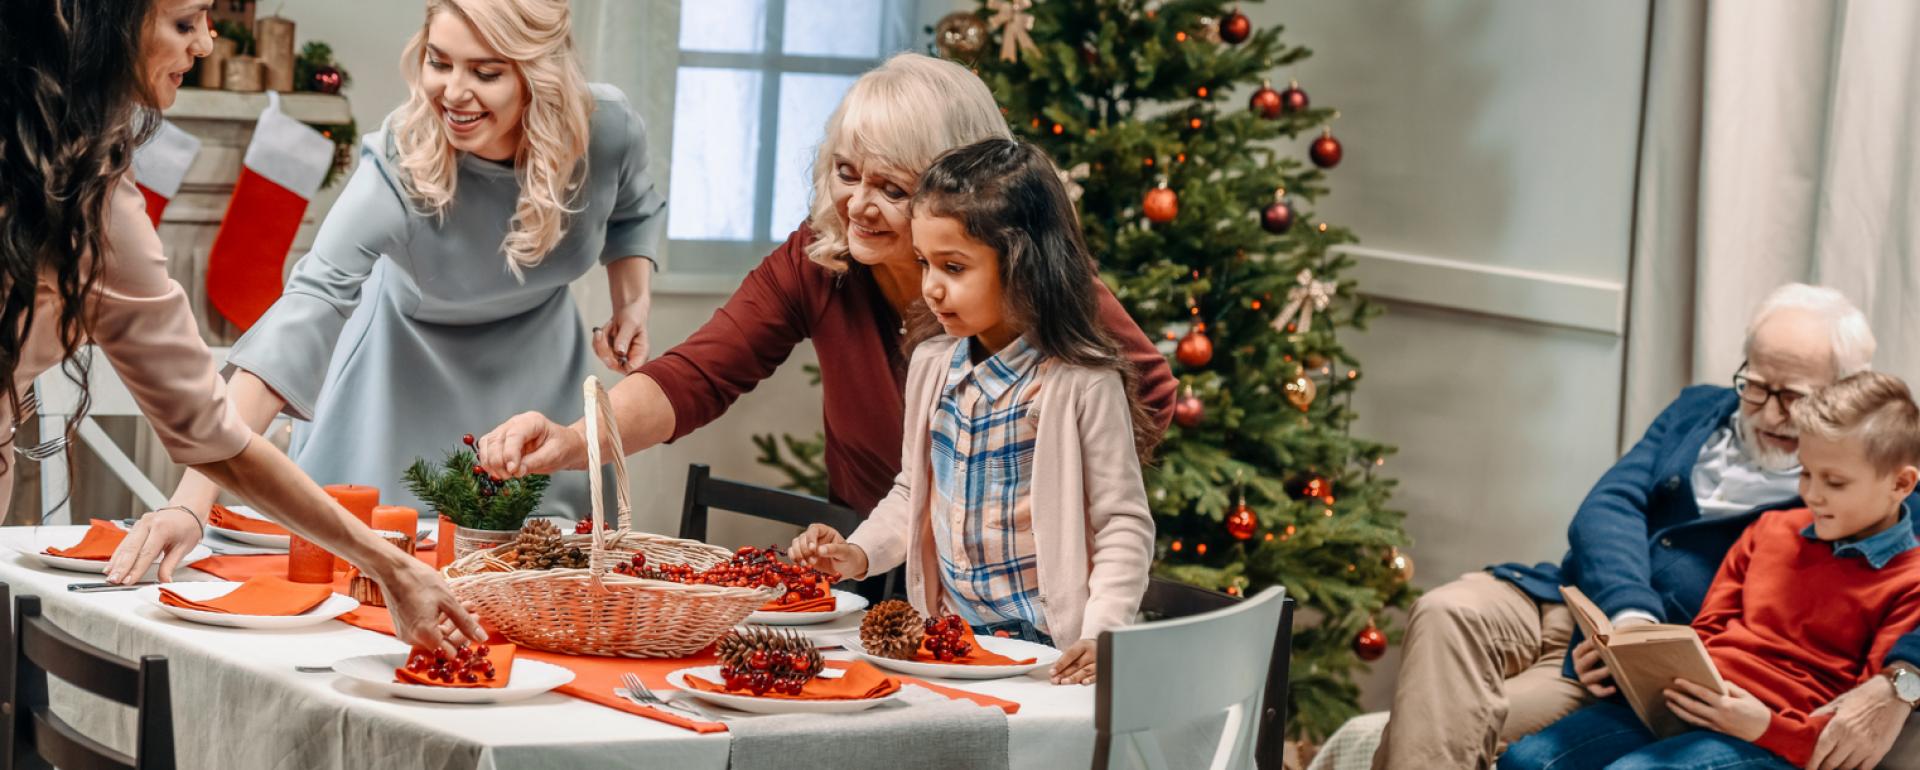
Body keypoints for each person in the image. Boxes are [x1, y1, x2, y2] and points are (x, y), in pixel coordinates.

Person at [472, 54, 1176, 569]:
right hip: (869, 557)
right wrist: (572, 441)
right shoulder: (818, 261)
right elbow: (697, 374)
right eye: (846, 173)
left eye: (892, 187)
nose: (858, 205)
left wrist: (1029, 511)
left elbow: (1145, 389)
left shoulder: (1029, 274)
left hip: (1010, 579)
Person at [114, 0, 665, 577]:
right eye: (439, 61)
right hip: (395, 380)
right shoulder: (402, 158)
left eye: (485, 72)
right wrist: (190, 501)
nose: (453, 92)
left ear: (539, 74)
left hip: (541, 384)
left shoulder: (607, 129)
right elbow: (307, 309)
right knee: (366, 591)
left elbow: (631, 213)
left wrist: (632, 303)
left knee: (541, 589)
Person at [0, 0, 480, 650]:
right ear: (104, 30)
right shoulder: (98, 212)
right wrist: (391, 565)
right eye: (184, 22)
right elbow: (219, 438)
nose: (204, 43)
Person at [1373, 284, 1919, 770]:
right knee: (1447, 608)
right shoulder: (1701, 409)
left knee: (1496, 745)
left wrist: (1903, 682)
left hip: (1635, 667)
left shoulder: (1870, 474)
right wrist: (1627, 614)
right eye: (1756, 384)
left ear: (1841, 393)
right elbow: (1610, 503)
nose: (1770, 412)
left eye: (1793, 395)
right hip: (1585, 605)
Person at [788, 138, 1155, 684]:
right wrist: (857, 554)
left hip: (1049, 655)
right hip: (952, 643)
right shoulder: (933, 365)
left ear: (1025, 265)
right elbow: (913, 492)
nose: (932, 288)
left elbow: (1121, 523)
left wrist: (1099, 634)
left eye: (954, 267)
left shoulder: (1081, 384)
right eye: (924, 263)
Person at [1502, 371, 1920, 769]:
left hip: (1769, 737)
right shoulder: (1770, 528)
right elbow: (1706, 632)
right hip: (1690, 703)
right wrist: (1628, 662)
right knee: (1527, 760)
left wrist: (1763, 727)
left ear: (1901, 484)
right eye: (1806, 473)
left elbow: (1854, 725)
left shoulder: (1909, 582)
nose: (1811, 494)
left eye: (1835, 482)